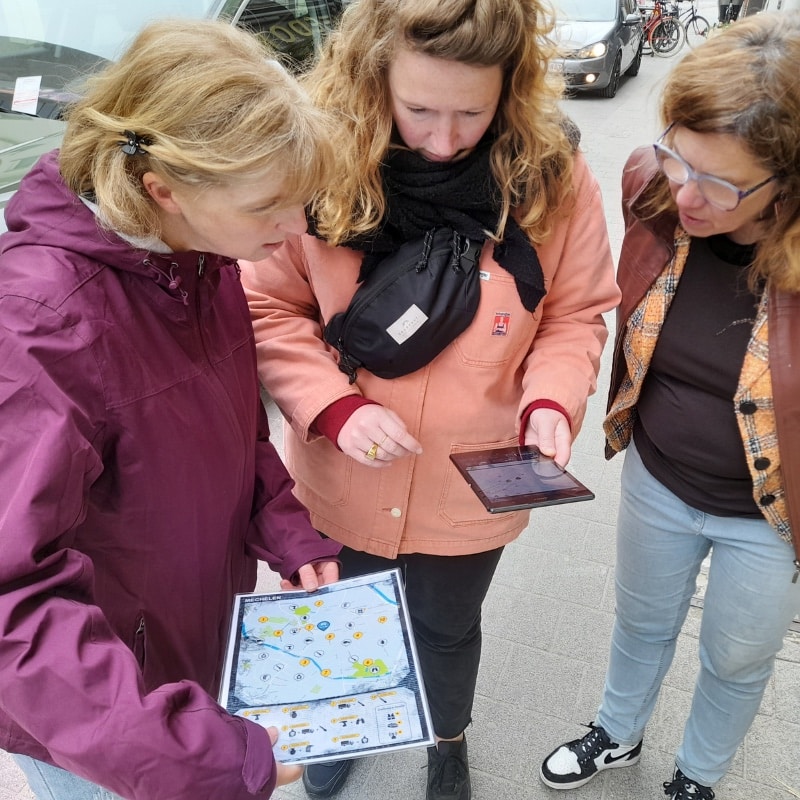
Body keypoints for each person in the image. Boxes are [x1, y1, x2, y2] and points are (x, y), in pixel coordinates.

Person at [239, 1, 621, 798]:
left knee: (447, 629)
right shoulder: (318, 164)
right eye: (418, 110)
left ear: (510, 89)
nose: (443, 141)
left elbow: (576, 313)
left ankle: (448, 738)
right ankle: (337, 728)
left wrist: (550, 402)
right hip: (343, 473)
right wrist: (335, 406)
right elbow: (267, 306)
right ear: (373, 77)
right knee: (335, 618)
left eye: (471, 114)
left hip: (469, 482)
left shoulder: (550, 176)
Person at [0, 19, 343, 800]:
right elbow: (13, 602)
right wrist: (197, 757)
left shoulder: (202, 261)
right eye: (270, 206)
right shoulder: (38, 323)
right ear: (164, 189)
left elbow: (232, 428)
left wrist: (285, 529)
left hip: (191, 644)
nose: (297, 229)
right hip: (109, 720)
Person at [540, 12, 800, 800]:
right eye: (678, 157)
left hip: (771, 514)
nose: (686, 192)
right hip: (658, 475)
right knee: (641, 620)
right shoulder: (651, 189)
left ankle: (697, 775)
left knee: (737, 657)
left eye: (719, 183)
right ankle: (618, 733)